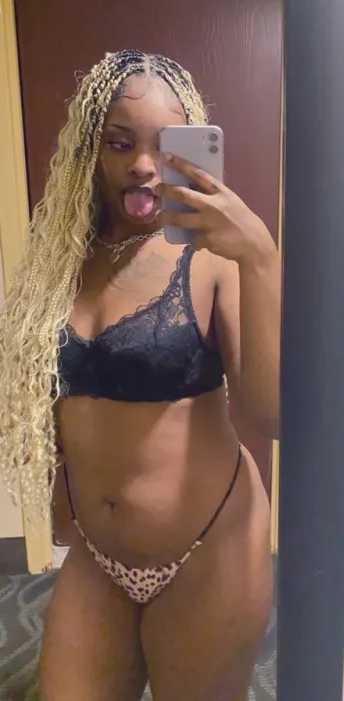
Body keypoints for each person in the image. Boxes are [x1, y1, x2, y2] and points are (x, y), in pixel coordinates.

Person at [0, 49, 280, 701]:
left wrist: (261, 258)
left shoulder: (213, 257)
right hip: (98, 558)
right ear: (91, 152)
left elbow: (272, 415)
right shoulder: (59, 261)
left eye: (164, 146)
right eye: (121, 143)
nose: (144, 165)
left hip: (208, 550)